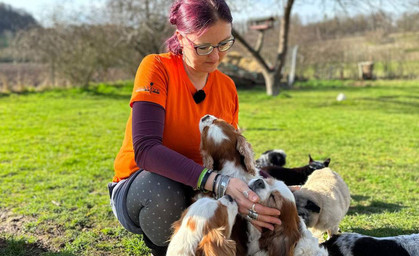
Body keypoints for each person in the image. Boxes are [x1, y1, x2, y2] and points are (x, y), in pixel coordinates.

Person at [108, 0, 281, 255]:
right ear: (180, 37)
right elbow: (146, 151)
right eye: (203, 47)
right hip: (141, 186)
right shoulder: (156, 68)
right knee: (163, 191)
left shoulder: (227, 88)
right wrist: (219, 184)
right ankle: (165, 248)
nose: (215, 56)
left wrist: (253, 195)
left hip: (203, 187)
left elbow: (228, 158)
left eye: (224, 43)